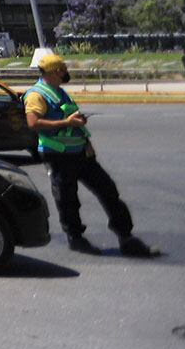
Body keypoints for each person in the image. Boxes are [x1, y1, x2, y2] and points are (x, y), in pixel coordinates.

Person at [25, 54, 159, 257]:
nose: (65, 73)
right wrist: (67, 123)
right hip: (58, 156)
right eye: (62, 70)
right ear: (54, 72)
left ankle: (126, 238)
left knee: (108, 191)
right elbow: (33, 124)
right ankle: (75, 238)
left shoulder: (59, 91)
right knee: (68, 199)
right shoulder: (37, 94)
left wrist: (86, 141)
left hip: (80, 154)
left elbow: (71, 121)